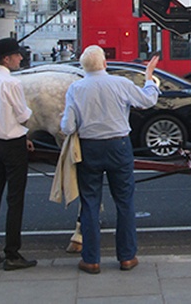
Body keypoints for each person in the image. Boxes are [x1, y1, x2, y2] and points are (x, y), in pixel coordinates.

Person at [60, 46, 160, 274]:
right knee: (124, 202)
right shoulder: (120, 84)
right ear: (105, 63)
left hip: (89, 148)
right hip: (119, 146)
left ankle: (91, 260)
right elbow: (147, 101)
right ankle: (126, 257)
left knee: (90, 202)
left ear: (83, 67)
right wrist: (149, 79)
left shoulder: (75, 89)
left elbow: (68, 126)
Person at [0, 37, 37, 271]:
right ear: (6, 58)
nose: (21, 58)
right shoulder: (11, 84)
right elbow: (23, 115)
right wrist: (24, 131)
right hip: (13, 144)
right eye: (17, 55)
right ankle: (12, 252)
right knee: (15, 199)